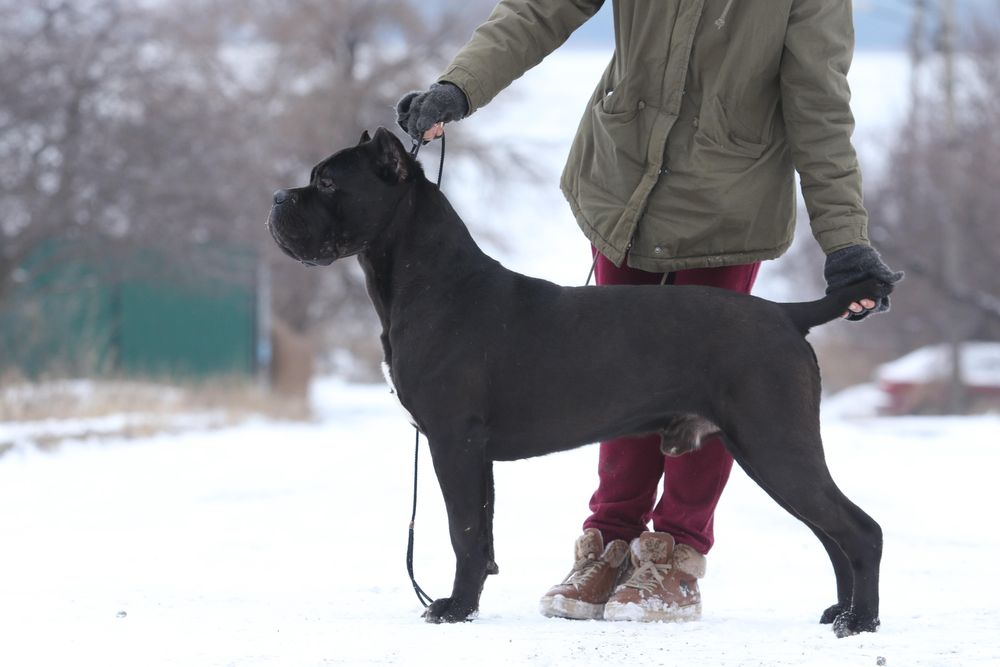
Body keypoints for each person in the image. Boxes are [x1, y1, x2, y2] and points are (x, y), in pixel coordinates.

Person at [396, 0, 901, 623]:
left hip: (727, 206)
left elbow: (819, 107)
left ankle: (675, 554)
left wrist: (845, 239)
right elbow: (537, 10)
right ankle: (609, 543)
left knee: (719, 386)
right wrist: (460, 86)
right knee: (608, 377)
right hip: (622, 188)